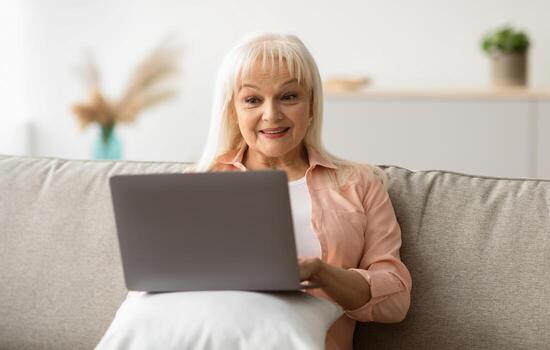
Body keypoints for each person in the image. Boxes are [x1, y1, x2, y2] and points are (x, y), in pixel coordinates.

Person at [193, 32, 412, 350]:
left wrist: (323, 274)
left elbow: (396, 299)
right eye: (253, 99)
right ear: (233, 110)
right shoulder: (199, 184)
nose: (271, 115)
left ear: (311, 105)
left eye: (288, 96)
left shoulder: (360, 183)